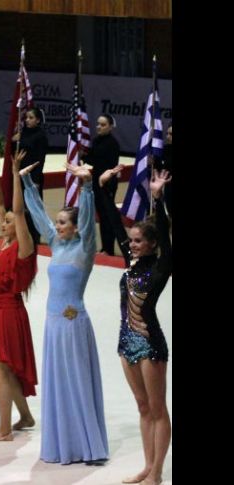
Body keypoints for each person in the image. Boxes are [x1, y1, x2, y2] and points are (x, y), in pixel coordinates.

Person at [21, 161, 109, 464]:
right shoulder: (57, 246)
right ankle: (64, 444)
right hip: (53, 325)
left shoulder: (84, 249)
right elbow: (38, 217)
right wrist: (27, 183)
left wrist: (86, 186)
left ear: (74, 226)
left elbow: (87, 223)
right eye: (57, 223)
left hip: (73, 323)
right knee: (58, 384)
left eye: (62, 223)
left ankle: (86, 446)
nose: (56, 227)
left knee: (77, 383)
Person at [98, 165, 172, 485]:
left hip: (149, 343)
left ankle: (156, 472)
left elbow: (167, 240)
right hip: (125, 342)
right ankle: (146, 466)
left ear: (152, 244)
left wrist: (160, 198)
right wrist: (103, 188)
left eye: (139, 240)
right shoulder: (132, 261)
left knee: (157, 409)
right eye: (132, 241)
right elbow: (114, 222)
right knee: (142, 408)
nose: (133, 244)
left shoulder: (160, 267)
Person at [0, 151, 38, 441]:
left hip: (8, 311)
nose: (3, 222)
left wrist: (15, 174)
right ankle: (24, 416)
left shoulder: (23, 248)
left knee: (1, 368)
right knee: (5, 367)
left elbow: (19, 211)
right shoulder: (6, 239)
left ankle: (3, 429)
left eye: (8, 221)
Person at [82, 114, 120, 255]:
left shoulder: (113, 144)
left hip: (107, 183)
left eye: (103, 125)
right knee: (102, 216)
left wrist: (88, 158)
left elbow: (107, 164)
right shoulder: (97, 141)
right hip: (96, 182)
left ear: (110, 127)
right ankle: (104, 247)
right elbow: (93, 159)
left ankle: (108, 248)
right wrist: (83, 156)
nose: (99, 127)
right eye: (98, 124)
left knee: (107, 216)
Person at [12, 107, 48, 245]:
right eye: (26, 117)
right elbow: (14, 153)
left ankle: (35, 236)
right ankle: (21, 233)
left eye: (31, 117)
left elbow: (40, 159)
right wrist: (13, 141)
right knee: (20, 205)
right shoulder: (22, 133)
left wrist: (36, 179)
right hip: (20, 175)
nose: (27, 120)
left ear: (38, 120)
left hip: (33, 177)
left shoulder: (41, 136)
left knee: (33, 208)